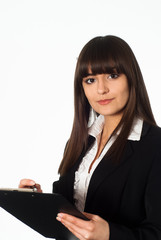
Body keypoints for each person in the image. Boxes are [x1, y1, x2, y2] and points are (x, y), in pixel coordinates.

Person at [19, 35, 161, 240]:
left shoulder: (155, 146)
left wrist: (109, 234)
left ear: (131, 78)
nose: (101, 89)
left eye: (112, 76)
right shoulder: (79, 142)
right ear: (82, 88)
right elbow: (71, 217)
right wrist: (38, 202)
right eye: (90, 80)